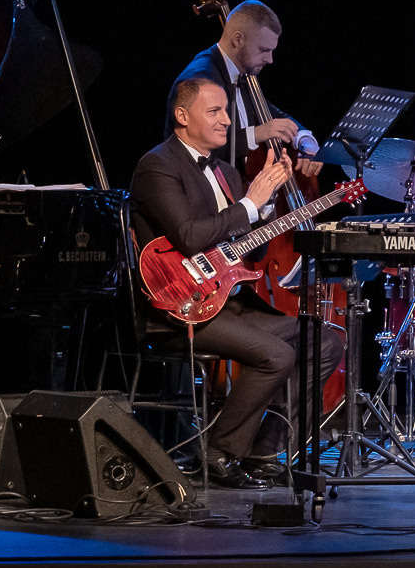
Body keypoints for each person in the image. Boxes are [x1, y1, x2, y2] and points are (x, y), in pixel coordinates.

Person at [129, 75, 347, 489]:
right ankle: (220, 452)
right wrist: (251, 203)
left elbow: (248, 254)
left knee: (326, 342)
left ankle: (266, 449)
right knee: (277, 356)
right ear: (182, 115)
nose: (227, 120)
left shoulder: (227, 171)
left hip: (228, 302)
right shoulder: (157, 165)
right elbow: (190, 236)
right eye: (214, 111)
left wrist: (264, 215)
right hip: (179, 308)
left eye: (226, 111)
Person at [178, 0, 323, 186]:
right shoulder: (201, 78)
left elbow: (271, 112)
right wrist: (256, 134)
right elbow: (198, 146)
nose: (270, 60)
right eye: (263, 50)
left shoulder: (242, 73)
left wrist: (304, 139)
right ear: (238, 39)